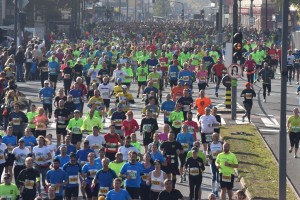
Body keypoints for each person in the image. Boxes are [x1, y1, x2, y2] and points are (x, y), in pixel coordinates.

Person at [208, 133, 223, 197]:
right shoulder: (210, 144)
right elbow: (208, 151)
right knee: (214, 176)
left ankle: (216, 191)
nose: (216, 137)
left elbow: (224, 151)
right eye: (214, 136)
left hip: (219, 162)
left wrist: (220, 152)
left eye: (217, 136)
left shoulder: (221, 143)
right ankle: (213, 190)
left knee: (218, 177)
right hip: (212, 161)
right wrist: (208, 157)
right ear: (212, 137)